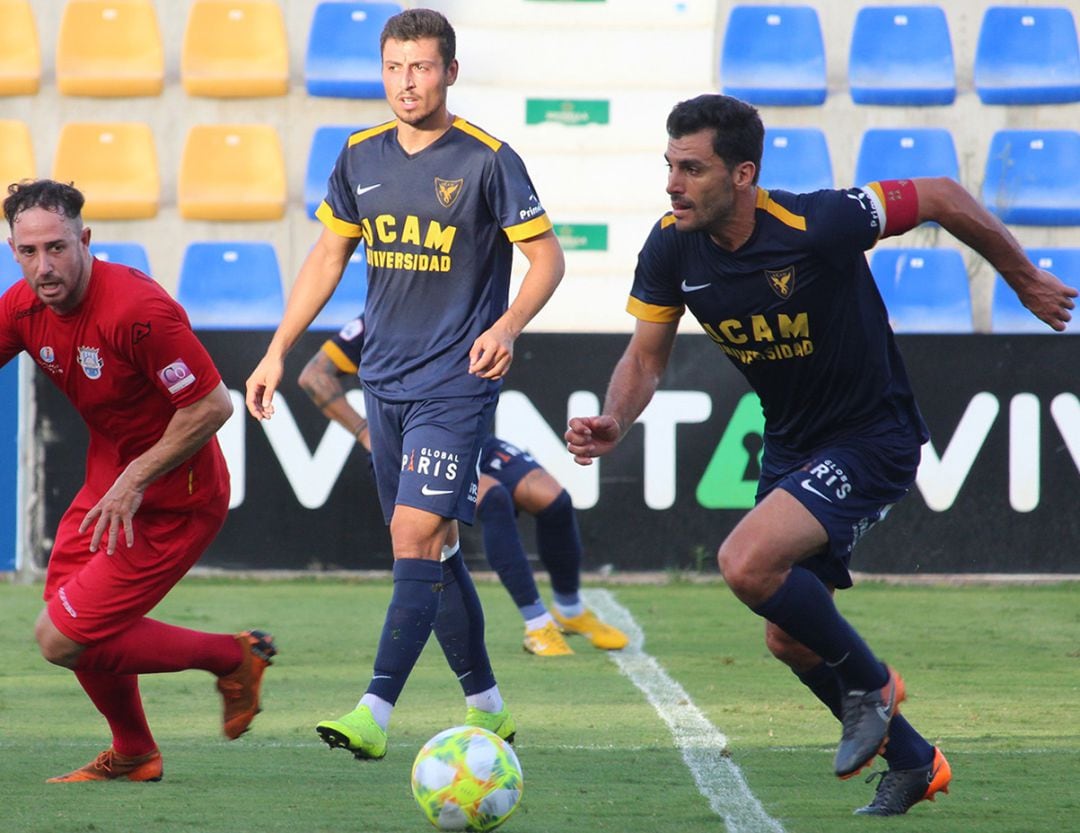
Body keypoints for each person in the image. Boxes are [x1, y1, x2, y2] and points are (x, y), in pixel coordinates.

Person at [564, 94, 1077, 816]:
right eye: (670, 166)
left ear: (743, 174)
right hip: (794, 444)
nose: (673, 184)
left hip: (874, 436)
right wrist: (616, 416)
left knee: (745, 562)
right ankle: (916, 761)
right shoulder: (670, 245)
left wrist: (1022, 278)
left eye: (692, 169)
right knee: (789, 637)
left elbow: (940, 194)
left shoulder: (817, 222)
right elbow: (646, 360)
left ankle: (874, 681)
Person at [245, 8, 565, 761]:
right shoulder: (359, 155)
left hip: (455, 384)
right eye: (394, 67)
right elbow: (327, 258)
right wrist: (277, 350)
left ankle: (374, 709)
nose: (406, 81)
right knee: (438, 548)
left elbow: (547, 259)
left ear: (450, 71)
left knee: (412, 535)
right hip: (383, 381)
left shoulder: (488, 159)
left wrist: (509, 323)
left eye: (421, 66)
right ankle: (487, 705)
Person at [1, 179, 277, 784]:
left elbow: (211, 406)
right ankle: (135, 754)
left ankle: (232, 657)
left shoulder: (136, 310)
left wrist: (134, 480)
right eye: (27, 252)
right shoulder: (22, 305)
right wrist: (119, 483)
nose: (43, 267)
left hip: (177, 498)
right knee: (72, 623)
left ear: (85, 240)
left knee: (59, 638)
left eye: (56, 248)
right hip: (109, 488)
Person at [298, 314, 628, 656]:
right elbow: (314, 376)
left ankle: (570, 611)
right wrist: (364, 431)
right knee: (494, 499)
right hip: (409, 446)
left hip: (467, 436)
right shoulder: (379, 317)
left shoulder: (463, 304)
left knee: (554, 499)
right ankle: (537, 625)